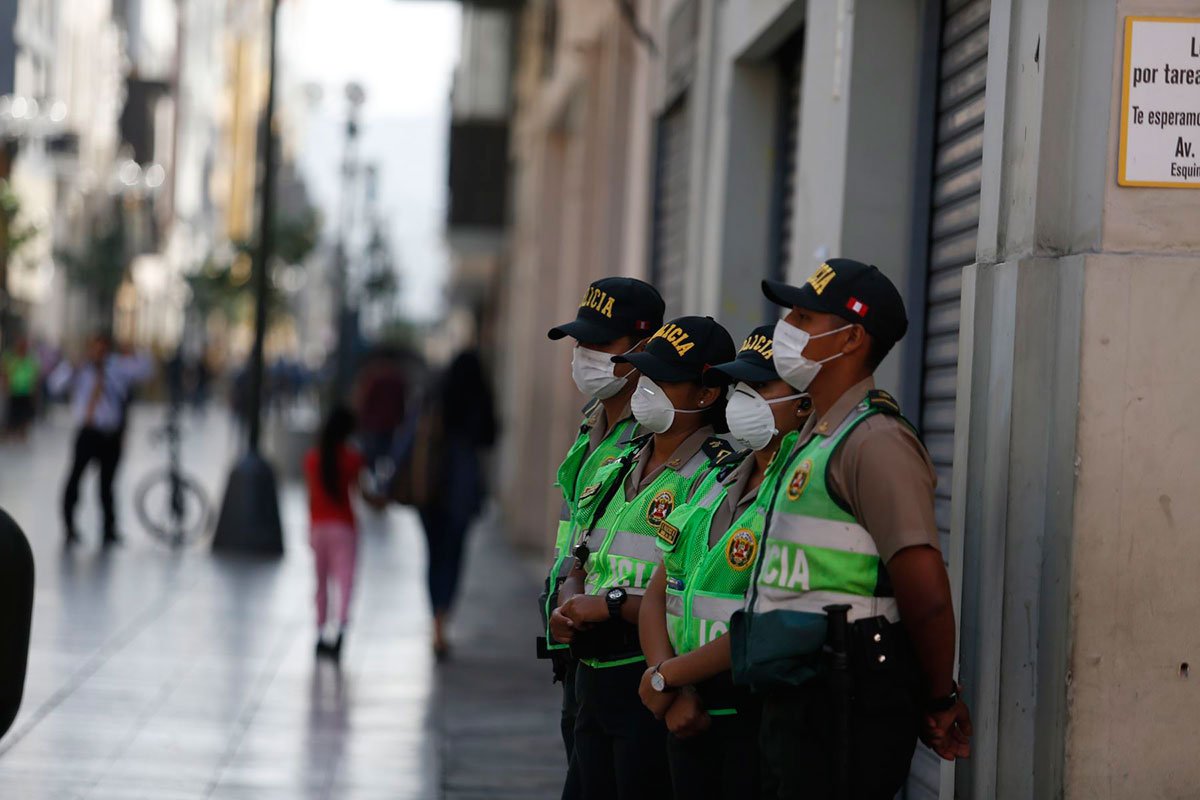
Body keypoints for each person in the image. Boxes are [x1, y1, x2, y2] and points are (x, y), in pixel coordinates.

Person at [734, 259, 972, 799]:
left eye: (804, 317)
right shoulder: (814, 435)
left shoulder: (874, 441)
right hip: (795, 691)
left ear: (852, 338)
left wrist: (939, 698)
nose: (785, 330)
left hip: (844, 695)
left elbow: (926, 592)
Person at [551, 315, 738, 800]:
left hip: (649, 679)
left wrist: (610, 603)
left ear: (706, 394)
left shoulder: (715, 476)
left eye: (665, 380)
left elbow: (686, 595)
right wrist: (569, 600)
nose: (646, 389)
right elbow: (582, 556)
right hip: (590, 679)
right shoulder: (622, 459)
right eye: (644, 374)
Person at [635, 323, 812, 800]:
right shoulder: (719, 475)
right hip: (686, 709)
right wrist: (667, 679)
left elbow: (772, 617)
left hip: (750, 712)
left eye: (760, 387)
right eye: (740, 387)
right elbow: (660, 588)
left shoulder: (804, 487)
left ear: (804, 403)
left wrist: (667, 676)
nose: (742, 399)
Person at [542, 276, 664, 797]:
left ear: (643, 350)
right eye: (580, 343)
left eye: (600, 345)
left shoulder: (660, 438)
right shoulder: (592, 423)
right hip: (580, 654)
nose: (583, 355)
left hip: (632, 657)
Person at [412, 349, 497, 658]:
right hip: (461, 488)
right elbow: (490, 437)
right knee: (453, 556)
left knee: (434, 556)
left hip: (430, 485)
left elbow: (411, 431)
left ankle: (435, 620)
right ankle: (442, 621)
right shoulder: (479, 398)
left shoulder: (437, 392)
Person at [49, 333, 153, 547]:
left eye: (102, 349)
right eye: (94, 348)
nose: (98, 353)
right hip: (88, 433)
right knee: (75, 478)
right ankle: (69, 527)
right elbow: (54, 385)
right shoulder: (79, 370)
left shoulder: (117, 368)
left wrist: (134, 348)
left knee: (107, 485)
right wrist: (72, 367)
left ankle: (109, 530)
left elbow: (145, 369)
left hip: (110, 435)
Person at [303, 406, 371, 661]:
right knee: (345, 581)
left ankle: (320, 632)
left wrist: (310, 527)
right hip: (344, 527)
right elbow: (363, 492)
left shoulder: (312, 458)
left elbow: (310, 497)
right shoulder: (353, 459)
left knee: (321, 583)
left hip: (319, 525)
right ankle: (341, 629)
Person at [2, 337, 39, 441]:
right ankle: (10, 432)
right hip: (14, 391)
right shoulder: (10, 357)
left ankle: (22, 433)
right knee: (12, 413)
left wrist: (34, 390)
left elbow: (34, 375)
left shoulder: (30, 359)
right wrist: (6, 386)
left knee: (25, 413)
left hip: (26, 391)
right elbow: (5, 373)